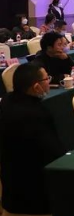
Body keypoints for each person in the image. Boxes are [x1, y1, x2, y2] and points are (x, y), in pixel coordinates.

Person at [0, 63, 66, 215]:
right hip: (34, 196)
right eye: (47, 79)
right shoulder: (36, 114)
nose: (49, 82)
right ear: (36, 87)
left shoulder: (7, 101)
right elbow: (54, 153)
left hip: (10, 190)